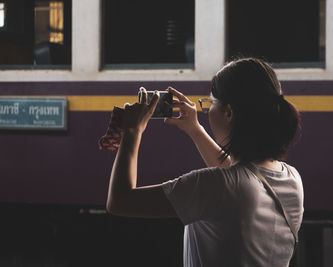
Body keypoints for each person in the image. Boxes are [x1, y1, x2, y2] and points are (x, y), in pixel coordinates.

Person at [106, 57, 304, 267]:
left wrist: (132, 131)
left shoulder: (216, 185)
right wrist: (194, 129)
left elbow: (120, 200)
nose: (207, 109)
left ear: (229, 113)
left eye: (211, 103)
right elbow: (242, 178)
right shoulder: (291, 178)